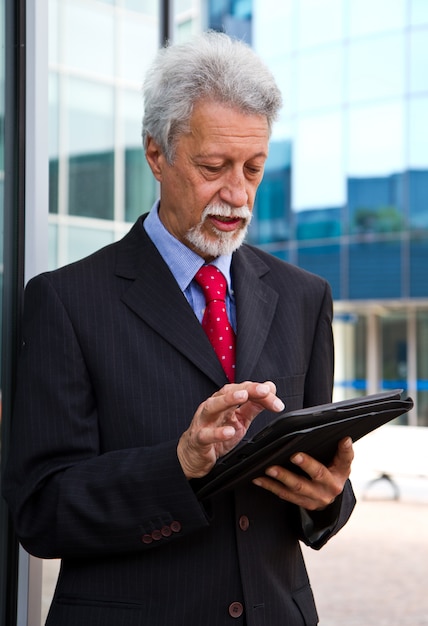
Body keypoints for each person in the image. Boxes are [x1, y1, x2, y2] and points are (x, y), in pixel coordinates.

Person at [3, 31, 355, 626]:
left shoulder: (304, 296)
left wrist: (328, 501)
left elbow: (315, 481)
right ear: (156, 154)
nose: (237, 193)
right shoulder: (65, 301)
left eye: (254, 167)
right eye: (213, 166)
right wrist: (181, 463)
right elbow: (40, 511)